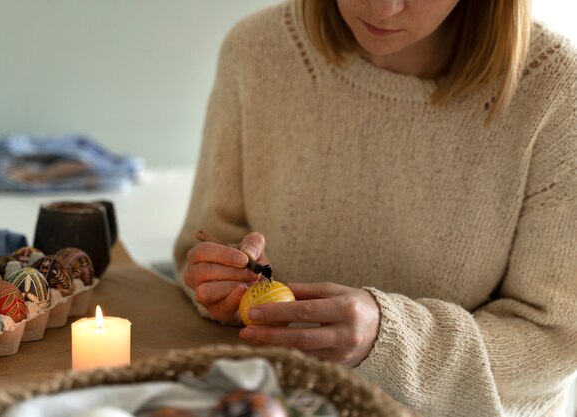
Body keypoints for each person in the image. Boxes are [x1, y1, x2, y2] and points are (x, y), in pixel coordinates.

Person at [173, 0, 577, 416]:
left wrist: (391, 340)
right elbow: (207, 240)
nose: (382, 9)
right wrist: (220, 286)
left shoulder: (556, 87)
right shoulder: (257, 50)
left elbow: (556, 340)